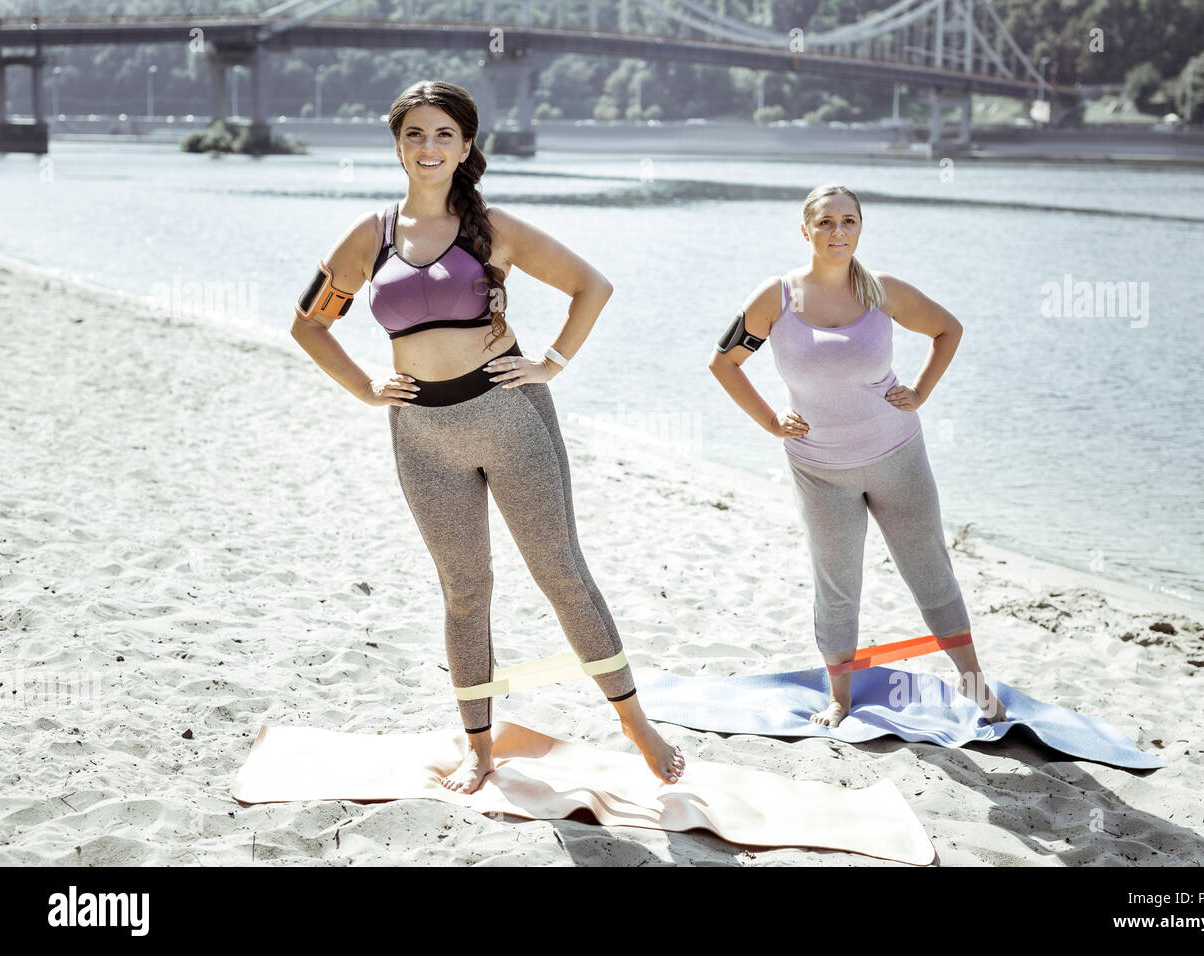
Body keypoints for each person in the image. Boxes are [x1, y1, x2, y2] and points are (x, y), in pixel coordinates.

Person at [290, 80, 685, 794]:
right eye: (415, 134)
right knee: (465, 590)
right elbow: (309, 324)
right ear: (397, 146)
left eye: (444, 134)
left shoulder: (492, 227)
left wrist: (551, 365)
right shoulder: (368, 236)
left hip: (508, 419)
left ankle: (635, 723)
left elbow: (591, 286)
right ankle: (480, 747)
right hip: (421, 436)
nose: (429, 147)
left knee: (562, 575)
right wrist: (363, 385)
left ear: (466, 146)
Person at [707, 184, 1008, 728]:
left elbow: (948, 329)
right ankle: (839, 699)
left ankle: (977, 687)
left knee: (930, 571)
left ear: (861, 228)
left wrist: (920, 392)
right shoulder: (773, 298)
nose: (837, 232)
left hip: (898, 455)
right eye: (825, 223)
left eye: (849, 221)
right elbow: (724, 364)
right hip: (819, 469)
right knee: (837, 582)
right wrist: (771, 421)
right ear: (805, 230)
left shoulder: (882, 291)